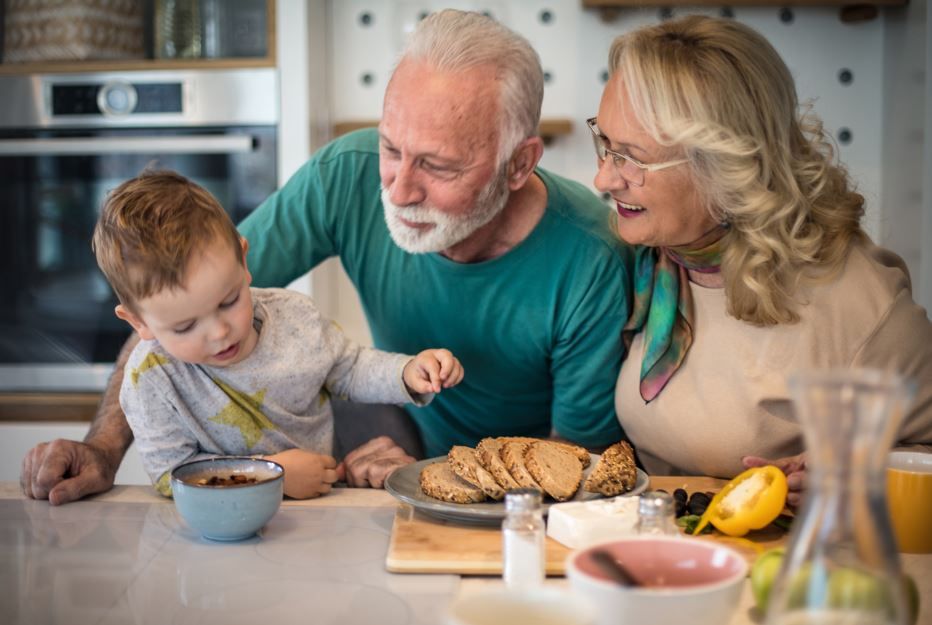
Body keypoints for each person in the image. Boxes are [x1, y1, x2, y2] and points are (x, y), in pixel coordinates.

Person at [21, 9, 632, 504]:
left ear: (519, 164)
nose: (397, 188)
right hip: (404, 432)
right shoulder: (348, 174)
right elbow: (176, 296)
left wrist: (434, 477)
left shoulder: (590, 256)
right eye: (392, 148)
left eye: (438, 166)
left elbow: (570, 465)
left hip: (518, 484)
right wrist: (103, 448)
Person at [592, 15, 932, 505]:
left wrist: (858, 477)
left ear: (724, 166)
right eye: (605, 143)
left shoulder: (856, 304)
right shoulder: (646, 257)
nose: (604, 179)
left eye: (631, 158)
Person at [93, 170, 464, 498]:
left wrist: (406, 372)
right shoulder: (151, 378)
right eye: (185, 326)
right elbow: (169, 476)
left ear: (243, 259)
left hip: (320, 515)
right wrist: (269, 477)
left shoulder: (294, 317)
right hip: (216, 533)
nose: (220, 332)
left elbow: (349, 368)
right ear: (138, 322)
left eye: (229, 301)